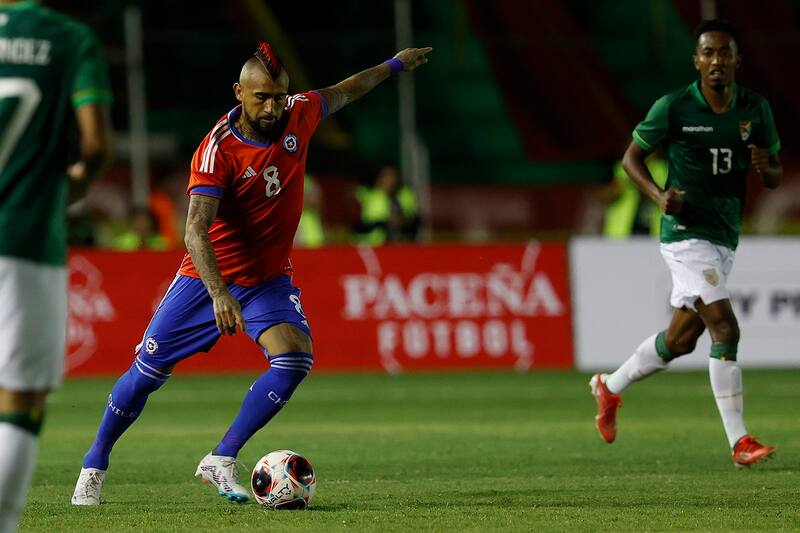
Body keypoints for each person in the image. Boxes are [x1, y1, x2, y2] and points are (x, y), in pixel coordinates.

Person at [71, 42, 432, 505]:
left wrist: (395, 64)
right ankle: (95, 460)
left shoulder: (300, 114)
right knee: (145, 375)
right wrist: (220, 294)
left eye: (279, 96)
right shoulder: (217, 150)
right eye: (262, 97)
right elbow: (195, 231)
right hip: (205, 281)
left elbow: (347, 90)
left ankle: (221, 458)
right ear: (239, 92)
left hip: (267, 279)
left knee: (295, 357)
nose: (272, 106)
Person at [590, 19, 782, 468]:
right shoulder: (674, 107)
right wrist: (659, 196)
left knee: (680, 341)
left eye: (724, 53)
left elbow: (773, 175)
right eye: (708, 53)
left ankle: (609, 386)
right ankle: (740, 442)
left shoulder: (755, 108)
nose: (717, 61)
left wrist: (764, 167)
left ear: (737, 60)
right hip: (684, 236)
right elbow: (630, 158)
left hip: (723, 236)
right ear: (696, 61)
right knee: (726, 328)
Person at [0, 1, 113, 529]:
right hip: (24, 236)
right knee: (20, 399)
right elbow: (94, 144)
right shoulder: (67, 38)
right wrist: (69, 186)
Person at [602, 155, 667, 238]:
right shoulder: (622, 167)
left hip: (654, 232)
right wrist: (617, 188)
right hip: (622, 232)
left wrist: (642, 184)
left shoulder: (660, 168)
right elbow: (604, 197)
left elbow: (665, 198)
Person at [354, 164, 419, 245]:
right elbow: (359, 224)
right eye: (386, 176)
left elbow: (413, 219)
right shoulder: (365, 195)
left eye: (392, 176)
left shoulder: (406, 195)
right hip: (371, 244)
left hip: (400, 242)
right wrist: (384, 223)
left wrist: (402, 221)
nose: (390, 180)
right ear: (379, 177)